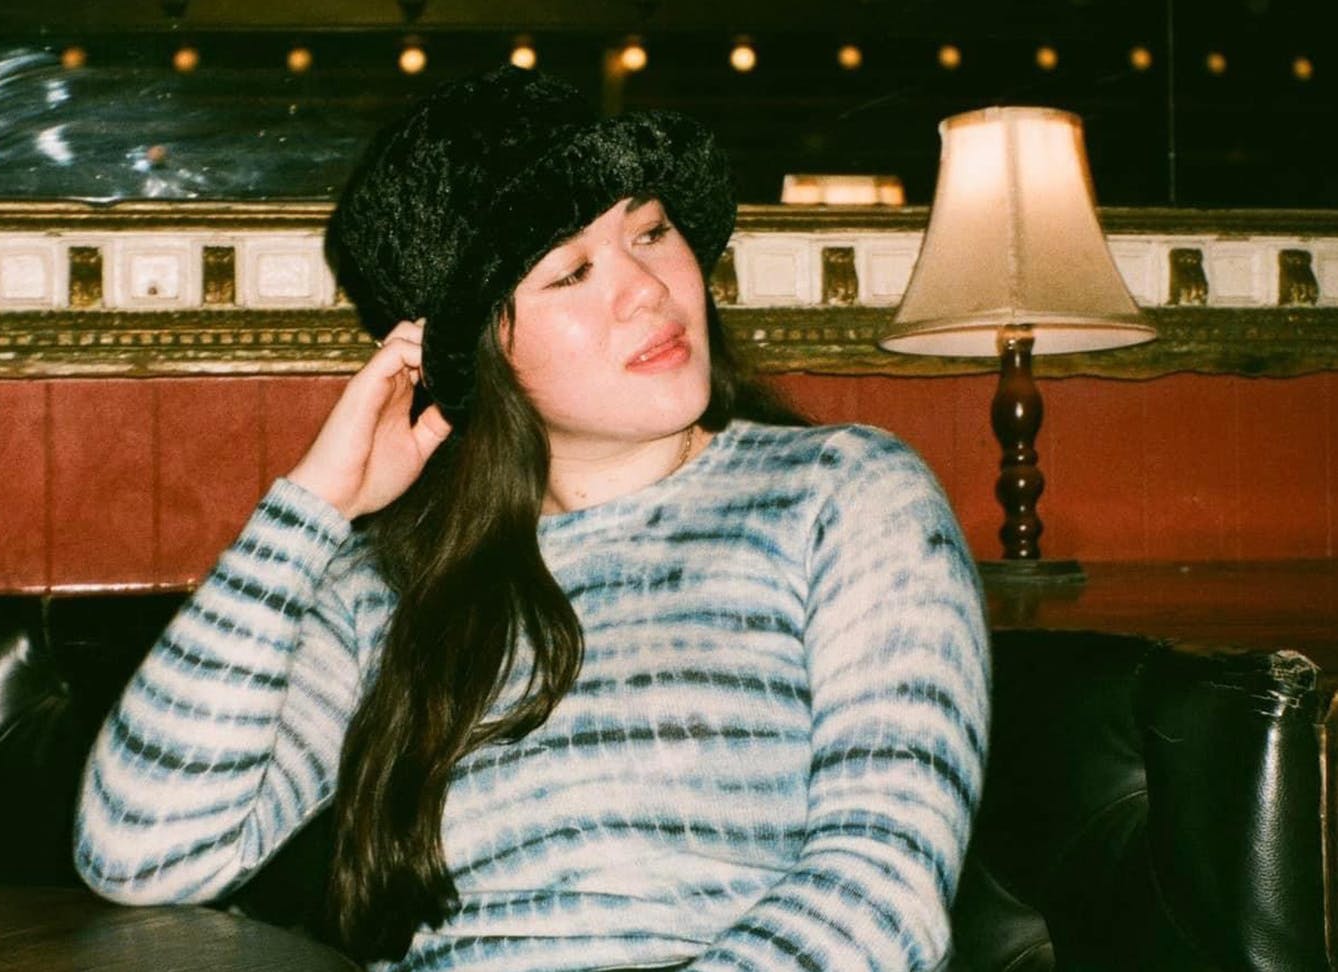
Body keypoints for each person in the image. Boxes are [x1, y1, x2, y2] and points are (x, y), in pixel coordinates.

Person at [73, 65, 990, 972]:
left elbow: (881, 889)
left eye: (653, 232)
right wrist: (313, 507)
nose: (649, 289)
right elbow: (139, 853)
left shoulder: (845, 494)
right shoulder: (389, 587)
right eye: (572, 272)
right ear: (479, 351)